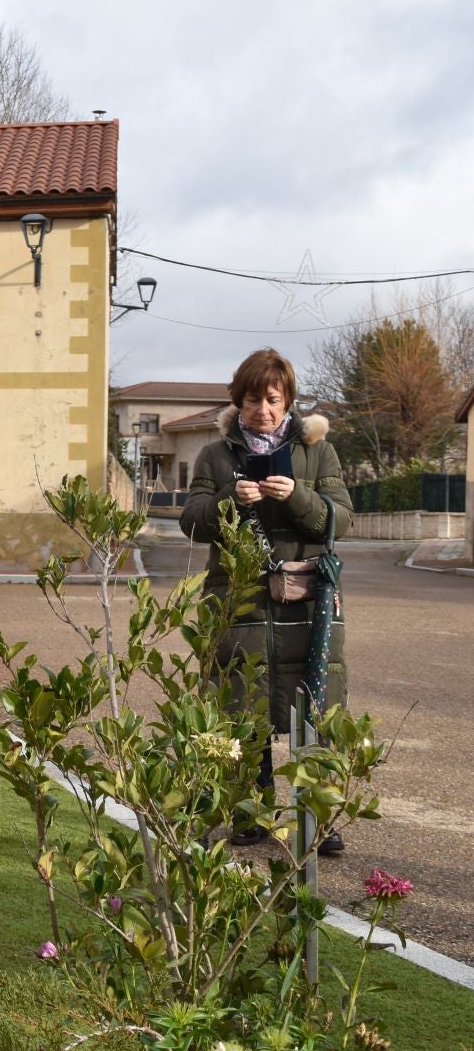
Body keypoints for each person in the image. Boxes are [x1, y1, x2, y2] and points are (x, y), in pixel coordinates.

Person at [179, 348, 351, 854]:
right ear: (240, 400)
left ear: (288, 400)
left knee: (316, 709)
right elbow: (192, 522)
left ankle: (318, 820)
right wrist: (230, 499)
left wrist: (295, 495)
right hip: (239, 601)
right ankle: (249, 814)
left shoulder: (318, 452)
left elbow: (341, 520)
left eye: (273, 399)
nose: (264, 410)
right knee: (241, 706)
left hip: (306, 603)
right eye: (253, 400)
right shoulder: (216, 455)